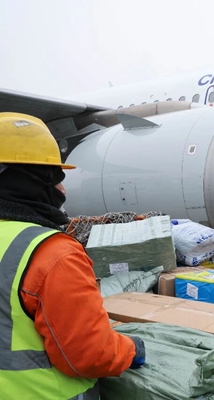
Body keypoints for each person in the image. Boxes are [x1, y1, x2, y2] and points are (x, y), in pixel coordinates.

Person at [0, 112, 145, 399]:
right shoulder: (52, 254)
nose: (63, 189)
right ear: (30, 181)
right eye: (56, 178)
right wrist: (131, 349)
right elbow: (90, 355)